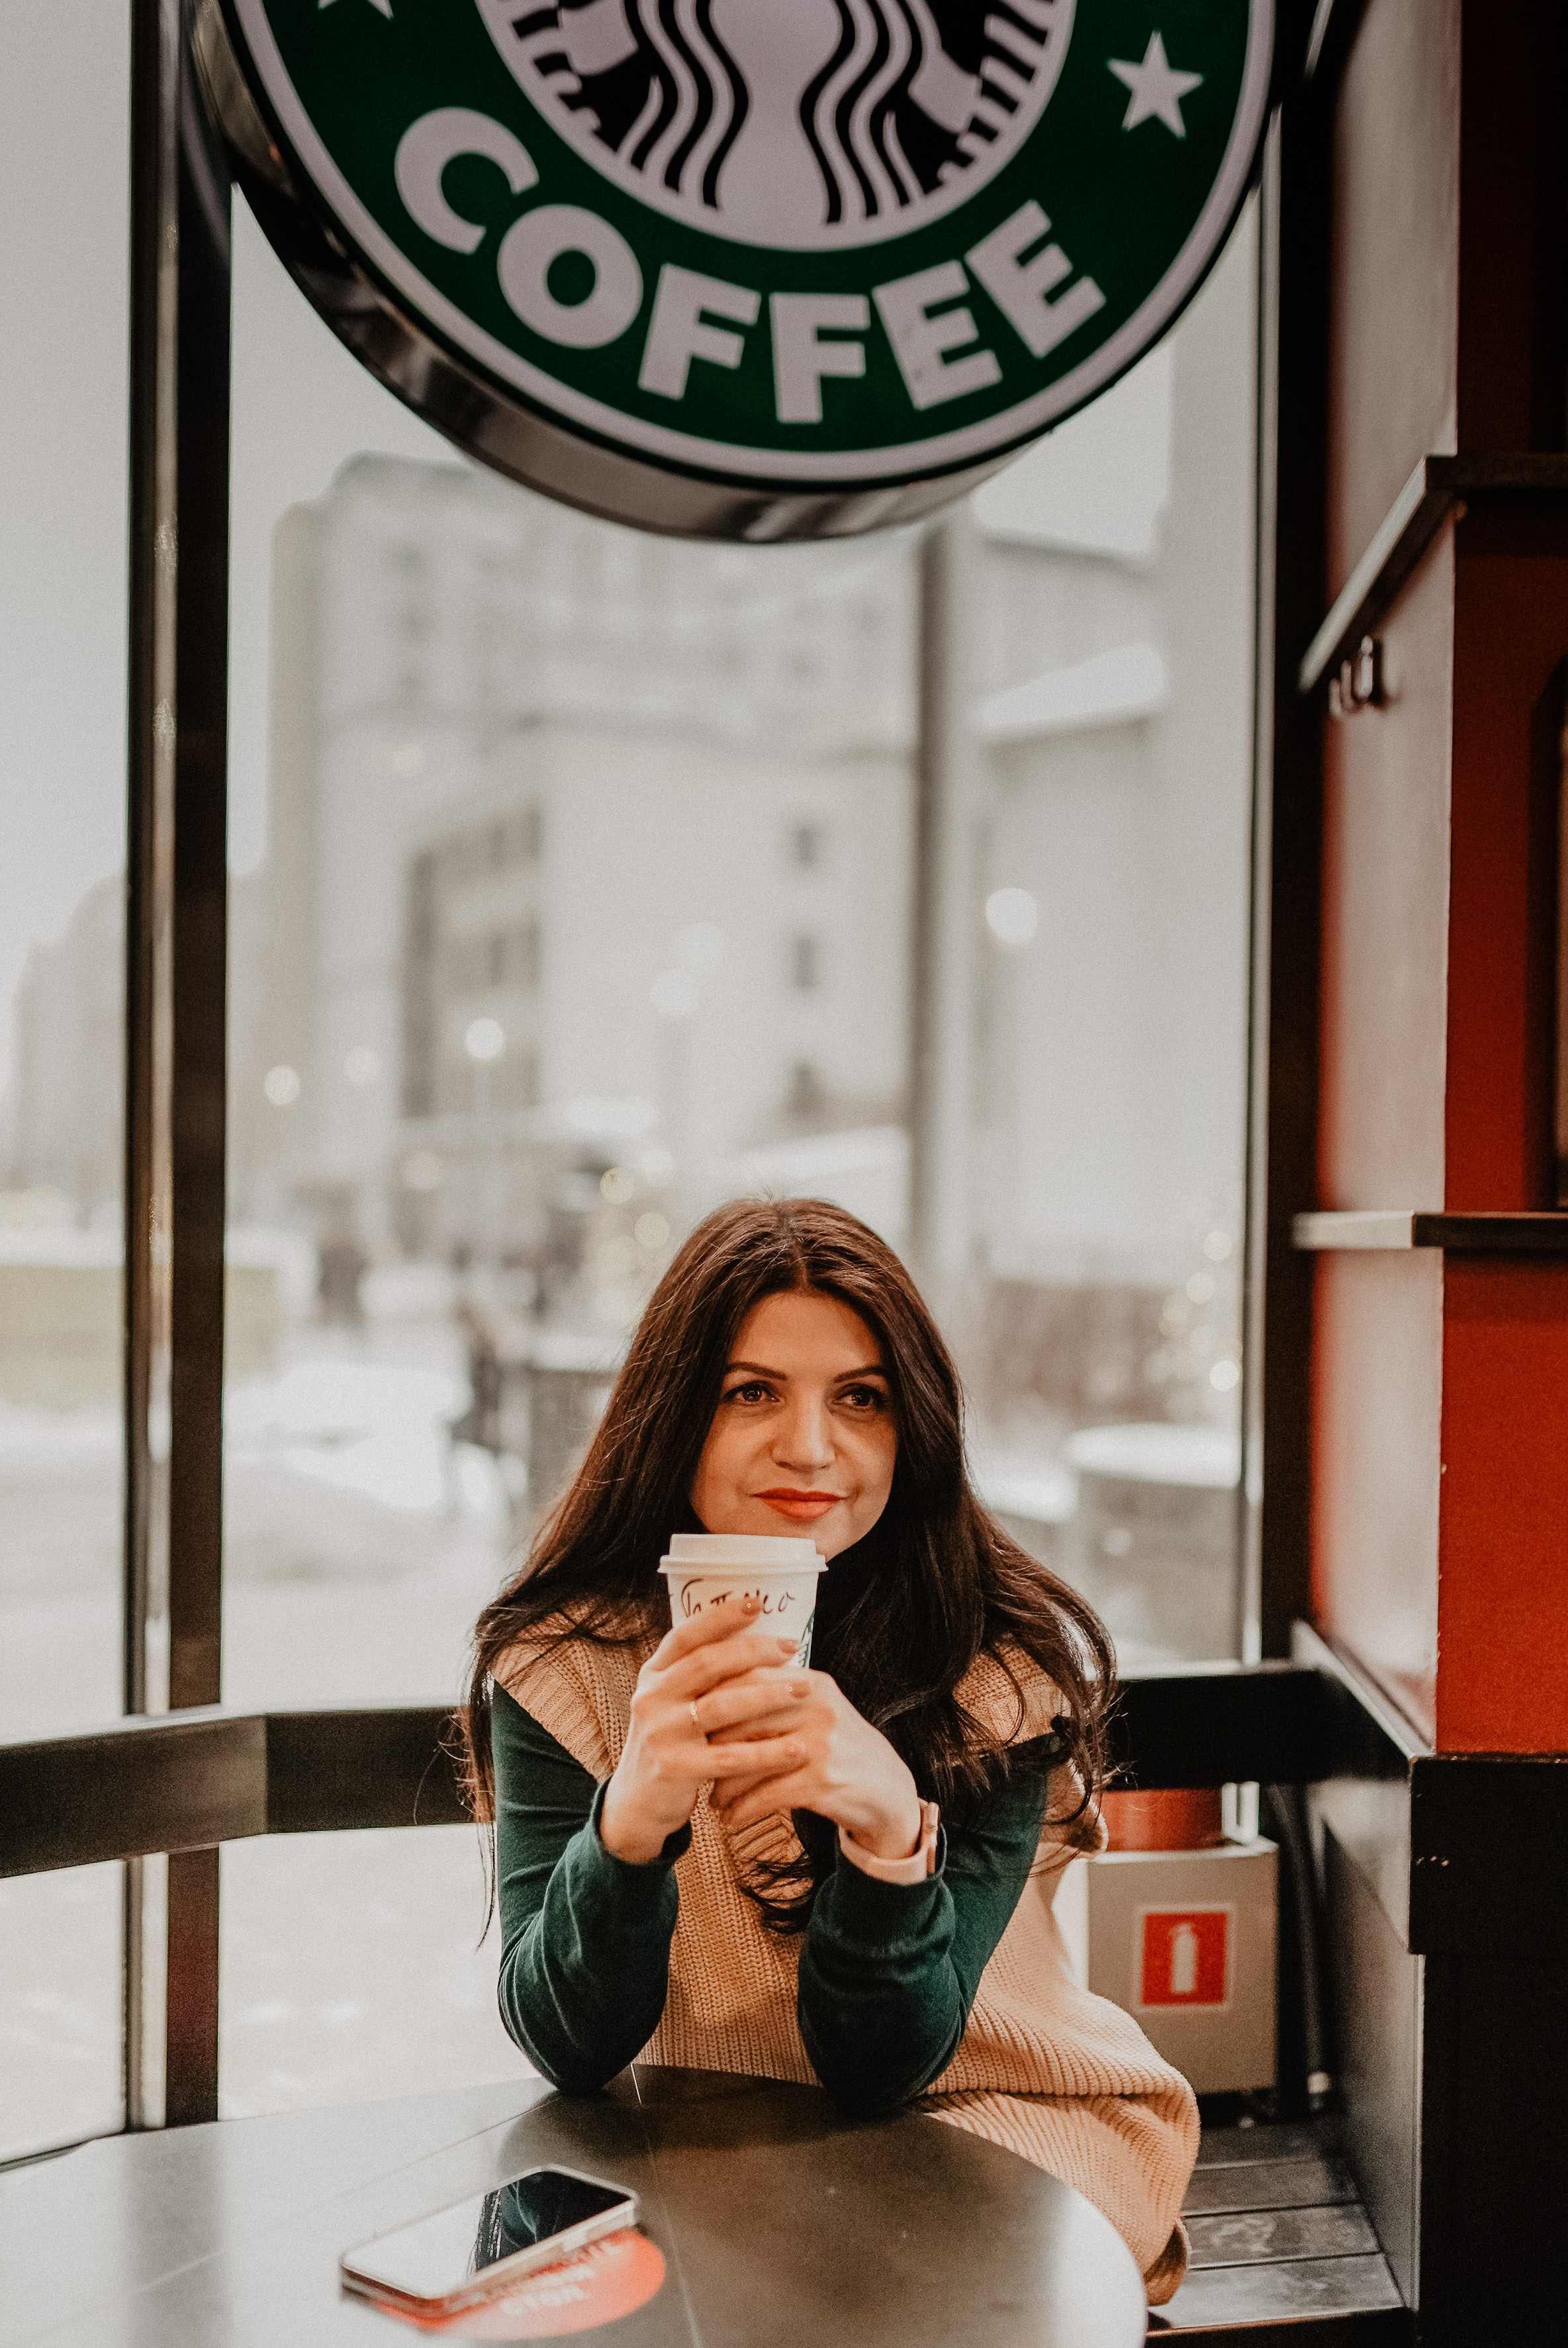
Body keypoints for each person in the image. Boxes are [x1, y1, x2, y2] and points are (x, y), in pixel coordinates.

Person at [463, 1199, 1198, 2303]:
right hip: (701, 2137)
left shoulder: (994, 1670)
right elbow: (569, 2048)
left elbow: (883, 2065)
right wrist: (630, 1822)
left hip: (1000, 2111)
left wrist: (892, 1837)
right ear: (673, 1415)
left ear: (914, 1431)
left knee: (862, 2301)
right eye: (749, 1391)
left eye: (861, 1399)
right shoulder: (563, 1667)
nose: (810, 1447)